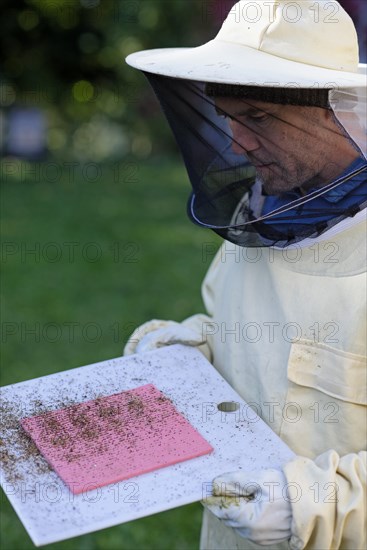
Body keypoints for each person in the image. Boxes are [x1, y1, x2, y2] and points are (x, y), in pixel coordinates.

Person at [124, 1, 366, 548]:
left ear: (336, 109)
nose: (236, 144)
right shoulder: (264, 216)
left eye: (257, 117)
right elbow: (246, 330)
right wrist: (193, 352)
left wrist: (317, 509)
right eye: (229, 118)